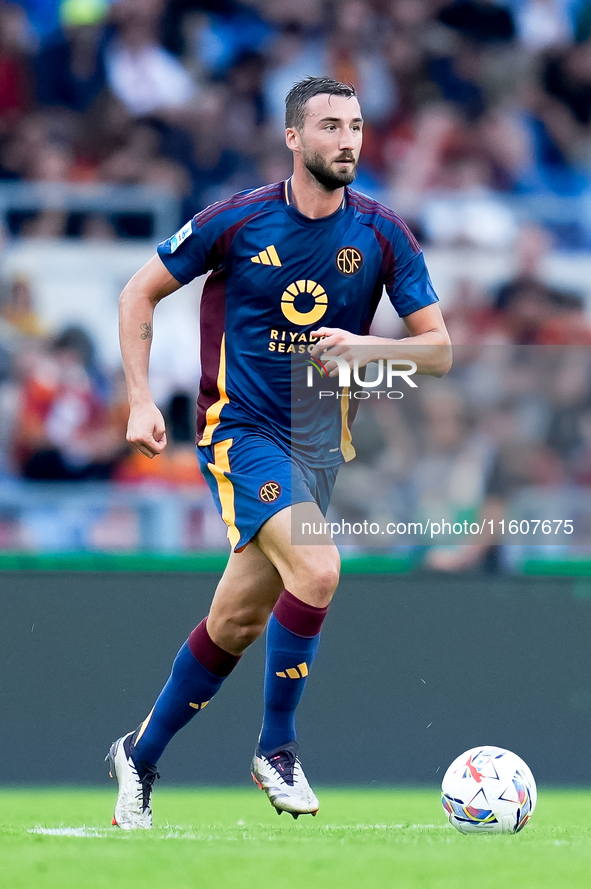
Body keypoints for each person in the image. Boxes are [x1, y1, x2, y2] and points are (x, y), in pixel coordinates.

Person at [108, 75, 452, 829]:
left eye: (356, 125)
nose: (348, 139)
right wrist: (138, 397)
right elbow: (139, 291)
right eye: (330, 125)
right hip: (242, 433)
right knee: (320, 568)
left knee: (234, 623)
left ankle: (139, 753)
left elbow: (439, 352)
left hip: (318, 452)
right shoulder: (238, 221)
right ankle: (276, 746)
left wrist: (365, 347)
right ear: (293, 138)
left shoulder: (382, 233)